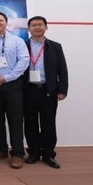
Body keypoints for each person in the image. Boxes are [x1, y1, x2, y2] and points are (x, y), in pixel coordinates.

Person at [23, 16, 69, 169]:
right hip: (28, 90)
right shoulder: (22, 45)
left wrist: (62, 90)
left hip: (48, 91)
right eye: (33, 25)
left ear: (46, 27)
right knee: (30, 123)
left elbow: (62, 70)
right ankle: (34, 153)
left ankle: (48, 154)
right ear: (29, 28)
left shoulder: (55, 46)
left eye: (40, 25)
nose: (37, 27)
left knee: (48, 123)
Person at [0, 12, 30, 169]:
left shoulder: (17, 41)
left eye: (1, 20)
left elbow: (24, 60)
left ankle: (18, 153)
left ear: (6, 22)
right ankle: (1, 149)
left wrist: (7, 77)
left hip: (12, 85)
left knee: (15, 120)